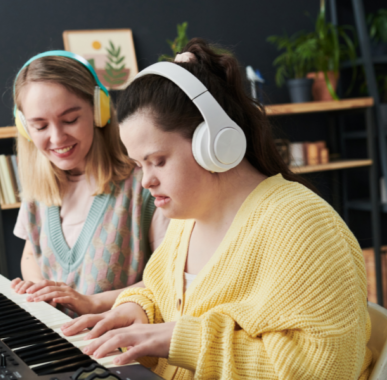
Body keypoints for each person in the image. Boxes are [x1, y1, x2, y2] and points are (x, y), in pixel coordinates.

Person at [60, 39, 372, 379]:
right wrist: (139, 308)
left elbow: (326, 368)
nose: (146, 180)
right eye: (139, 165)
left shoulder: (302, 224)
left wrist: (182, 340)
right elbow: (168, 295)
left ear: (213, 143)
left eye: (158, 161)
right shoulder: (188, 218)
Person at [9, 51, 169, 316]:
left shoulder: (143, 185)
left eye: (70, 120)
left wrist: (94, 303)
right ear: (25, 128)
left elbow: (170, 279)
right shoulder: (38, 191)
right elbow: (31, 255)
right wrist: (40, 289)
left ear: (99, 110)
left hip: (118, 344)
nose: (57, 137)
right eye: (39, 126)